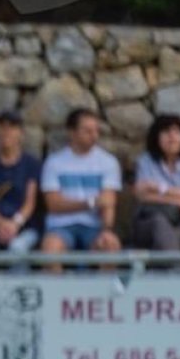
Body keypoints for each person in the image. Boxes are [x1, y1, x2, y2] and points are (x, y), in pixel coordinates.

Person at [40, 108, 122, 271]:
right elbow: (53, 204)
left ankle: (103, 296)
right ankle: (56, 295)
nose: (94, 136)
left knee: (110, 246)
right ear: (72, 133)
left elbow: (108, 202)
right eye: (88, 131)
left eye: (96, 131)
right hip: (61, 227)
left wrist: (106, 230)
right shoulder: (55, 162)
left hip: (94, 227)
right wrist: (90, 203)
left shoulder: (108, 162)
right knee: (50, 249)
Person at [0, 110, 41, 270]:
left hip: (23, 226)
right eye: (2, 127)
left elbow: (30, 201)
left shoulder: (31, 164)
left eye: (12, 128)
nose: (6, 132)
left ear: (20, 133)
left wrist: (14, 224)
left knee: (18, 249)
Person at [131, 114, 180, 252]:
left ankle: (172, 270)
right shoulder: (146, 161)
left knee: (166, 237)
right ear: (156, 137)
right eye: (166, 132)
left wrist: (158, 187)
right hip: (148, 224)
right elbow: (141, 196)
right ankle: (175, 272)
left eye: (176, 132)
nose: (172, 137)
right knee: (159, 223)